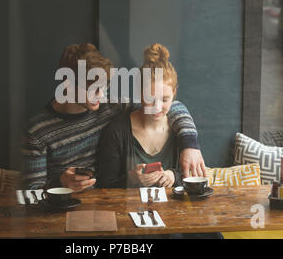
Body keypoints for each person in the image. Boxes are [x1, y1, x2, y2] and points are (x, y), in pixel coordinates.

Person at [21, 43, 206, 191]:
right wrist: (60, 183)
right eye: (93, 89)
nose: (101, 95)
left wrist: (190, 144)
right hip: (62, 208)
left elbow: (168, 106)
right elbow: (30, 193)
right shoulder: (37, 130)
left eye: (104, 87)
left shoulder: (110, 106)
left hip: (104, 205)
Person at [98, 43, 187, 188]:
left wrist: (174, 176)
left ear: (174, 94)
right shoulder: (116, 131)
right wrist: (130, 179)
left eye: (164, 99)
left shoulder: (182, 130)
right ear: (139, 93)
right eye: (150, 99)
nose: (157, 107)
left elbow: (195, 178)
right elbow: (103, 186)